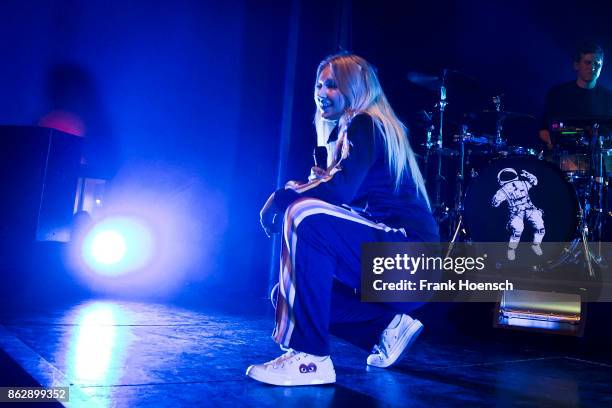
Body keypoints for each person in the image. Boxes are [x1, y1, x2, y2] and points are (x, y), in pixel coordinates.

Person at [247, 53, 439, 386]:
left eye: (333, 85)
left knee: (304, 215)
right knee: (286, 296)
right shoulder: (355, 135)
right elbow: (345, 196)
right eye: (319, 84)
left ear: (355, 89)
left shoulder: (365, 122)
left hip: (410, 258)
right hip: (404, 268)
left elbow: (339, 192)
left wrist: (281, 197)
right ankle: (387, 328)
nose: (321, 91)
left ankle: (310, 358)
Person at [539, 42, 612, 150]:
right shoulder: (558, 94)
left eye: (597, 64)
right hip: (564, 156)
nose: (592, 67)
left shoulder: (608, 97)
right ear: (576, 65)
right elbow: (545, 128)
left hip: (600, 158)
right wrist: (551, 141)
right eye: (587, 62)